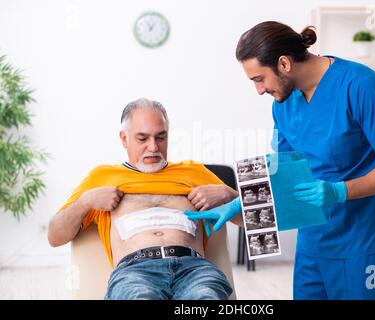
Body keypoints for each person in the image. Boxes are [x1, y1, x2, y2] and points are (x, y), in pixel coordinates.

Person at [185, 21, 375, 300]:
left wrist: (340, 190)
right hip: (313, 240)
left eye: (259, 79)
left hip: (364, 238)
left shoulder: (362, 86)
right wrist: (241, 203)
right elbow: (284, 172)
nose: (259, 90)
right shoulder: (283, 104)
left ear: (284, 63)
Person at [48, 98, 240, 300]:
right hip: (134, 273)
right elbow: (54, 237)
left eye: (161, 137)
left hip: (195, 271)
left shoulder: (194, 171)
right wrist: (85, 201)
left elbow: (259, 220)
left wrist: (229, 196)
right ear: (124, 139)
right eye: (142, 139)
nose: (153, 147)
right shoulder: (101, 177)